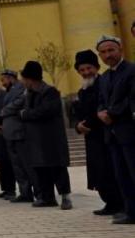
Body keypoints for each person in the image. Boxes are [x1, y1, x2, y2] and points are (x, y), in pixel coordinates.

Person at [72, 49, 123, 216]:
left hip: (107, 136)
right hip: (91, 138)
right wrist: (77, 126)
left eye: (89, 68)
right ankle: (110, 203)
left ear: (96, 67)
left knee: (112, 171)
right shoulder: (82, 91)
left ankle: (120, 204)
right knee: (99, 173)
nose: (86, 73)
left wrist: (86, 123)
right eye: (82, 70)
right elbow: (77, 114)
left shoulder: (105, 84)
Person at [18, 61, 72, 210]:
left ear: (30, 79)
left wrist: (25, 114)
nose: (23, 82)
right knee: (41, 169)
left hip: (51, 138)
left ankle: (65, 197)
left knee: (57, 168)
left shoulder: (50, 92)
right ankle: (47, 198)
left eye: (24, 79)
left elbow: (45, 111)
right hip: (36, 139)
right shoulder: (30, 94)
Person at [96, 36, 135, 224]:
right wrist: (101, 112)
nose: (108, 55)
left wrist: (111, 113)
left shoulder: (131, 70)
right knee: (122, 174)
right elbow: (101, 100)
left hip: (129, 131)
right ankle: (130, 211)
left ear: (120, 49)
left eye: (111, 50)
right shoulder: (104, 77)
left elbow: (131, 99)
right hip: (112, 134)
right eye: (103, 52)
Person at [0, 70, 38, 203]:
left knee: (26, 164)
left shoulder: (21, 88)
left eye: (3, 80)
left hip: (19, 132)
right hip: (9, 133)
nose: (2, 83)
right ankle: (24, 192)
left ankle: (37, 192)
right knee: (17, 165)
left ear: (11, 78)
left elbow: (18, 103)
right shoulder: (9, 91)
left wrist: (3, 112)